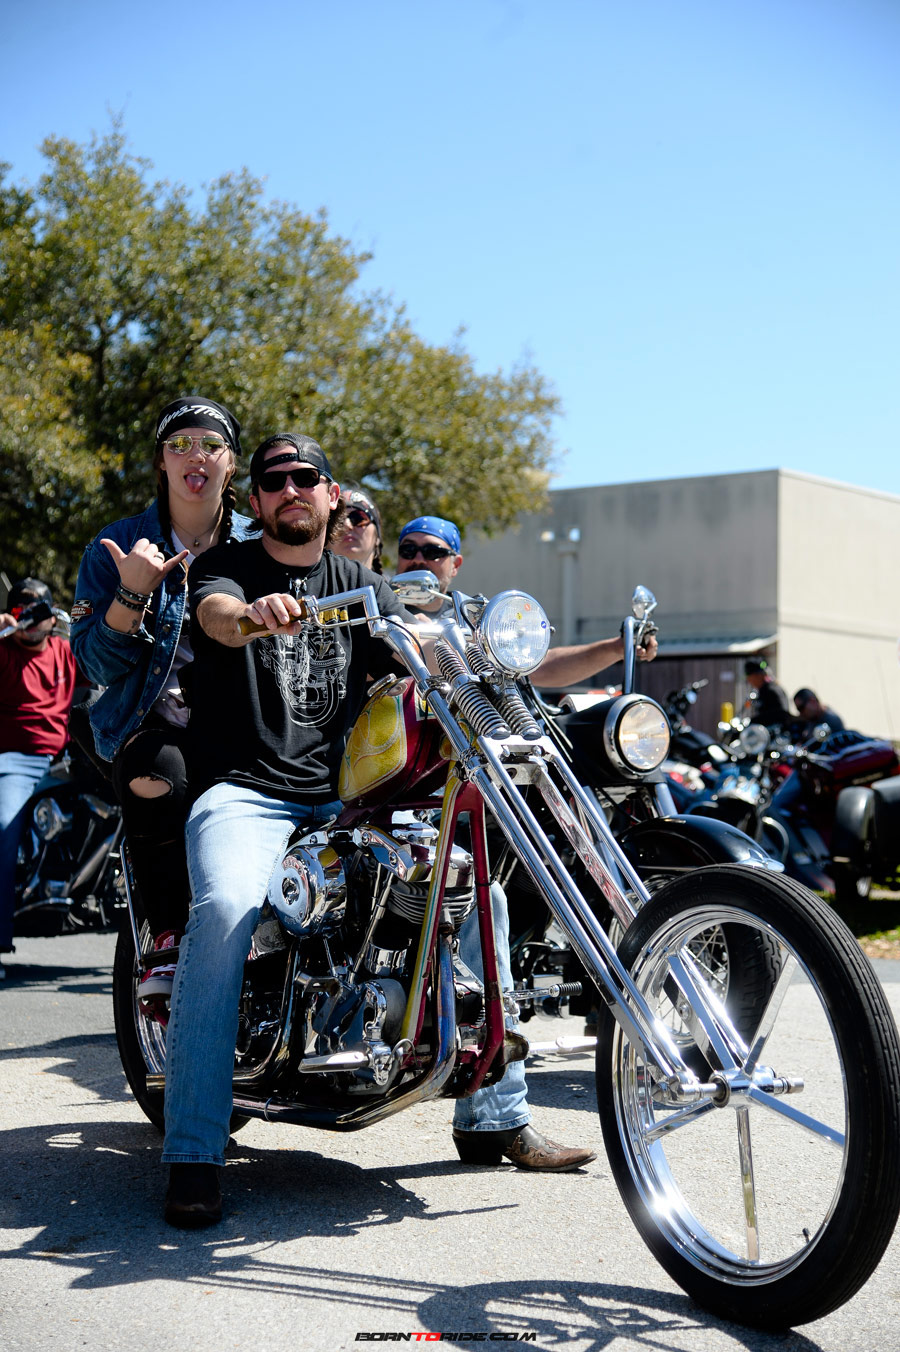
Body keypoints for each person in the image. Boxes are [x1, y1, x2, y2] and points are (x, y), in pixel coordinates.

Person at [161, 434, 593, 1229]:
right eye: (274, 481)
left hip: (343, 802)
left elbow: (417, 651)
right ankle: (192, 1150)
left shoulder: (362, 583)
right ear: (256, 501)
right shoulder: (229, 568)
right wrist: (252, 615)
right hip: (246, 793)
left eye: (307, 478)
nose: (291, 489)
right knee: (223, 912)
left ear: (331, 495)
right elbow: (217, 617)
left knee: (480, 900)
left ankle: (494, 1117)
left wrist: (462, 665)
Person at [70, 396, 254, 1010]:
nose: (195, 456)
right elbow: (94, 666)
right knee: (154, 774)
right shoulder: (118, 544)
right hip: (157, 725)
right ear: (162, 461)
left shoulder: (261, 544)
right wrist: (131, 594)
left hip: (254, 729)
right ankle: (168, 936)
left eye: (211, 444)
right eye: (180, 444)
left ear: (231, 463)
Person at [394, 515, 659, 683]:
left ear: (456, 565)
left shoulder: (471, 618)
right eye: (408, 550)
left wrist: (617, 647)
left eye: (433, 551)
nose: (418, 559)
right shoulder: (380, 608)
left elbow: (538, 667)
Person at [0, 578, 78, 978]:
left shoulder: (66, 650)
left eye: (38, 611)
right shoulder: (3, 651)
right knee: (3, 825)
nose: (30, 620)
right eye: (21, 611)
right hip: (17, 759)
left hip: (69, 757)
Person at [333, 484, 383, 572]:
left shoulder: (397, 581)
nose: (347, 525)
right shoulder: (308, 581)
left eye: (358, 518)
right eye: (338, 520)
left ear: (377, 537)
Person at [743, 657, 790, 730]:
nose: (749, 680)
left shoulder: (772, 690)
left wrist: (754, 721)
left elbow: (781, 713)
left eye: (749, 677)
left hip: (776, 732)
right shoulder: (761, 691)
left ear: (759, 675)